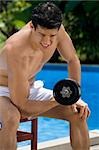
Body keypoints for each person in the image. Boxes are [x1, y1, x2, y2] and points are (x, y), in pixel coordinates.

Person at [0, 2, 90, 150]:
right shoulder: (15, 49)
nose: (47, 41)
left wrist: (74, 95)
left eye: (52, 36)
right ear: (32, 26)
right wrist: (59, 99)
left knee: (78, 112)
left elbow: (72, 60)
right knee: (11, 118)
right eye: (42, 34)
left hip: (28, 87)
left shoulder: (57, 30)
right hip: (2, 91)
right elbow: (23, 106)